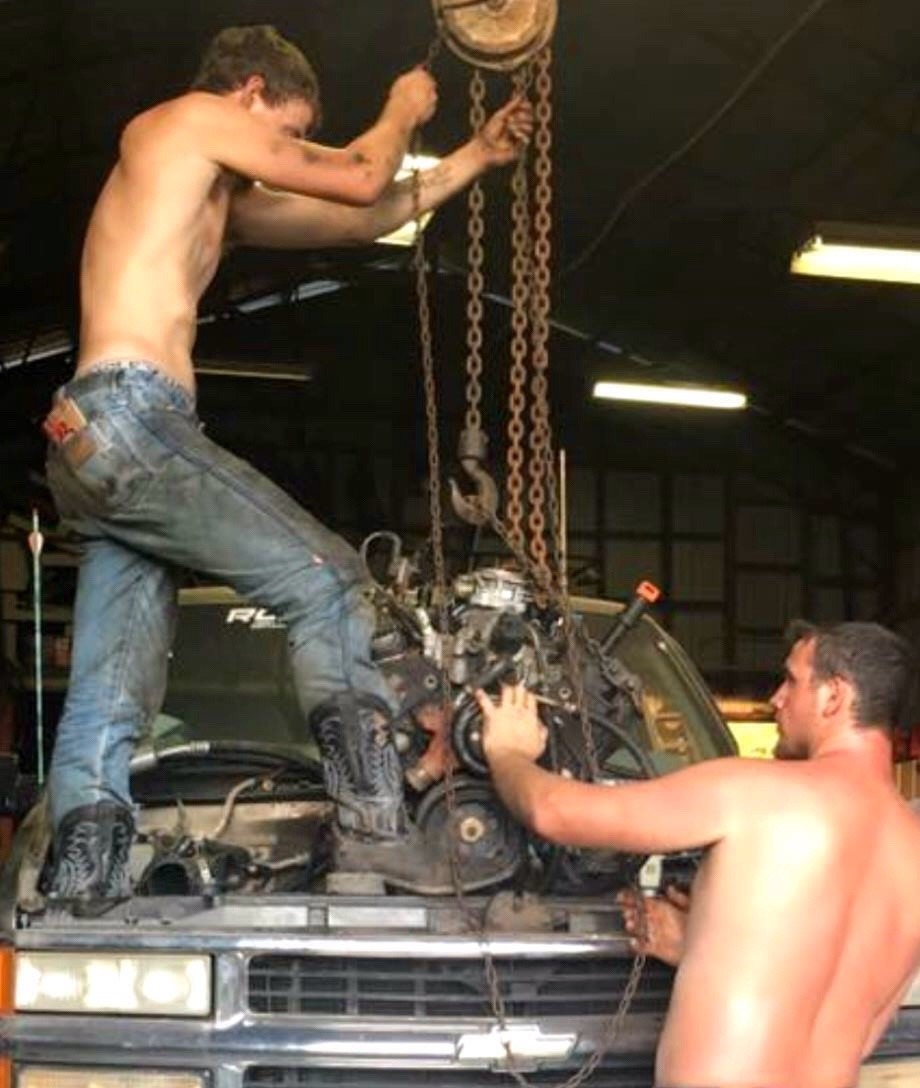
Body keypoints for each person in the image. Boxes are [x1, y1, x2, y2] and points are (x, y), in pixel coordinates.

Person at [42, 24, 533, 909]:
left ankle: (85, 870)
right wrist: (402, 109)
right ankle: (374, 825)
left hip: (93, 441)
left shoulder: (209, 193)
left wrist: (473, 156)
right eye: (289, 133)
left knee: (112, 678)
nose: (287, 154)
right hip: (134, 417)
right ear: (252, 94)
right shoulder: (188, 120)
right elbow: (361, 174)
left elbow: (369, 216)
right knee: (330, 580)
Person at [476, 621, 920, 1088]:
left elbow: (552, 811)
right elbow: (851, 1023)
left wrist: (508, 754)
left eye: (791, 680)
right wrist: (708, 944)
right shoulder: (911, 849)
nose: (776, 698)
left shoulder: (756, 790)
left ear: (834, 696)